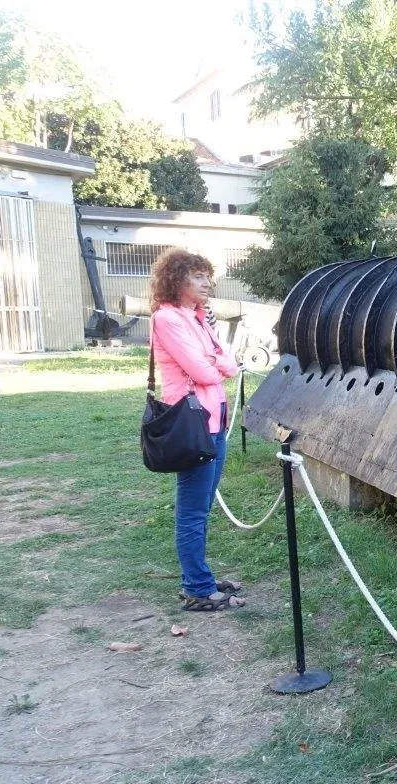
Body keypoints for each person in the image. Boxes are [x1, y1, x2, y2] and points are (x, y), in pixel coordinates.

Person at [149, 248, 247, 611]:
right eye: (198, 276)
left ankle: (198, 577)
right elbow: (206, 371)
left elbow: (227, 362)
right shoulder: (168, 319)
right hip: (192, 425)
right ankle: (197, 589)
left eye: (208, 276)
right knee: (192, 510)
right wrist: (213, 364)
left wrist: (213, 363)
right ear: (177, 280)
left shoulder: (198, 317)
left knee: (202, 507)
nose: (208, 283)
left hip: (214, 420)